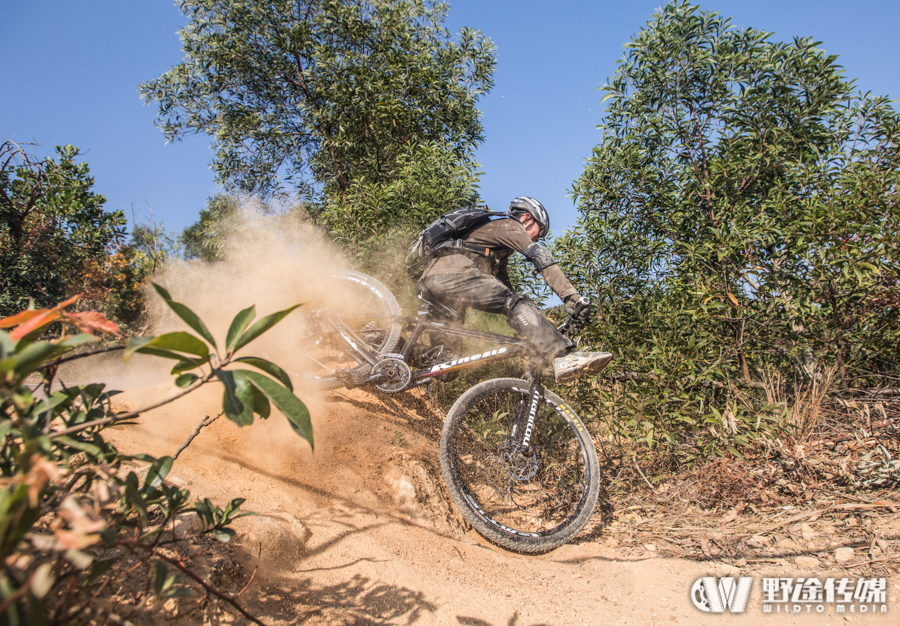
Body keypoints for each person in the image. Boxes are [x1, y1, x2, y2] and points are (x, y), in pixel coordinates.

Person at [416, 196, 612, 382]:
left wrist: (533, 326)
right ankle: (562, 355)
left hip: (431, 284)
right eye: (540, 231)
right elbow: (539, 257)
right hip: (451, 277)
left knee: (445, 366)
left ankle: (395, 350)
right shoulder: (509, 225)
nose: (537, 239)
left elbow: (503, 290)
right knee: (515, 302)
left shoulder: (497, 249)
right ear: (527, 218)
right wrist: (571, 297)